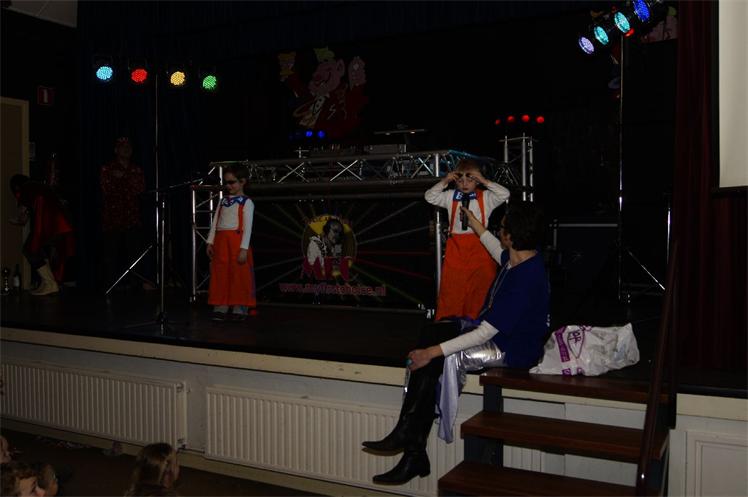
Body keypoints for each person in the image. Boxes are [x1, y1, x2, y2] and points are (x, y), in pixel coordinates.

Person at [362, 201, 549, 485]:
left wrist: (430, 353)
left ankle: (412, 445)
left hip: (510, 349)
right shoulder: (519, 259)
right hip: (495, 333)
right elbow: (493, 246)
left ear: (511, 236)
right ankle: (409, 435)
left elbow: (484, 333)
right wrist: (472, 221)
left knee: (437, 355)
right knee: (432, 330)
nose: (498, 231)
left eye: (502, 228)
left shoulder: (526, 277)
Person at [424, 159, 510, 321]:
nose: (464, 183)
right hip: (456, 253)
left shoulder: (486, 197)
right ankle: (451, 326)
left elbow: (505, 194)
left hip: (481, 250)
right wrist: (445, 181)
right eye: (460, 180)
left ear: (477, 180)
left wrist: (485, 181)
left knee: (480, 292)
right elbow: (429, 196)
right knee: (452, 292)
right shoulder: (450, 196)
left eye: (470, 179)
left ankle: (478, 326)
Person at [9, 175, 75, 296]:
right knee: (38, 250)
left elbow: (22, 217)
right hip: (62, 223)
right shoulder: (38, 187)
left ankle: (50, 283)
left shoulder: (25, 190)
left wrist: (14, 220)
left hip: (50, 223)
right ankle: (48, 282)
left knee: (30, 249)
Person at [206, 166, 257, 321]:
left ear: (243, 182)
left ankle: (240, 306)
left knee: (239, 275)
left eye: (232, 182)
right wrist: (210, 241)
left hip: (237, 242)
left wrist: (244, 248)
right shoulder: (223, 201)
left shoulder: (247, 202)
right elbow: (215, 222)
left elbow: (248, 228)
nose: (228, 186)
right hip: (221, 243)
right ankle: (221, 305)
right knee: (220, 273)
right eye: (226, 182)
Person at [99, 137, 150, 291]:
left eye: (128, 146)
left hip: (132, 217)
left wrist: (123, 178)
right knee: (111, 254)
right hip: (112, 217)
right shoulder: (107, 169)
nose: (126, 149)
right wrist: (124, 181)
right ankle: (110, 285)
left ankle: (135, 285)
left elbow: (140, 189)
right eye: (122, 146)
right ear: (116, 150)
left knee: (134, 253)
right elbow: (106, 188)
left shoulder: (136, 170)